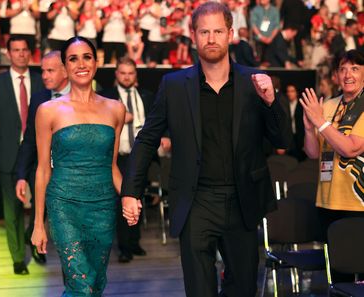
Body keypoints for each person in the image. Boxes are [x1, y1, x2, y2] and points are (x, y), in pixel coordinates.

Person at [121, 2, 290, 297]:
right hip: (195, 201)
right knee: (199, 289)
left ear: (230, 34)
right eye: (204, 32)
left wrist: (271, 102)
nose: (211, 38)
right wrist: (130, 191)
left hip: (242, 201)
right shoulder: (173, 85)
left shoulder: (255, 82)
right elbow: (147, 138)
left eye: (218, 31)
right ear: (193, 35)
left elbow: (282, 141)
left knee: (243, 288)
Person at [31, 36, 125, 296]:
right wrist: (39, 223)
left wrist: (129, 197)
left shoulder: (115, 109)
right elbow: (42, 170)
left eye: (87, 57)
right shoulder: (48, 110)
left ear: (96, 63)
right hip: (64, 206)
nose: (81, 64)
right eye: (73, 58)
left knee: (95, 282)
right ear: (65, 66)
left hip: (103, 206)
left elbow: (113, 167)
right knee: (81, 283)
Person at [0, 36, 43, 275]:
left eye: (25, 50)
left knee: (41, 204)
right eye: (16, 50)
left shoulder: (40, 81)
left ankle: (33, 237)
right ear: (8, 53)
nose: (20, 54)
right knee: (12, 208)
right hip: (7, 153)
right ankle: (17, 257)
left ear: (30, 53)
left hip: (36, 154)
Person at [300, 49, 364, 282]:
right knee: (338, 276)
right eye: (343, 69)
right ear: (336, 75)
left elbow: (350, 148)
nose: (348, 74)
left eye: (355, 69)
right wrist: (309, 128)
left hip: (359, 205)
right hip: (328, 201)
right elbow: (313, 152)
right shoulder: (328, 105)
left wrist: (321, 122)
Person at [101, 56, 170, 263]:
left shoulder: (146, 96)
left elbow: (160, 119)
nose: (127, 77)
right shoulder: (107, 97)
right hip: (118, 156)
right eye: (123, 73)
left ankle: (134, 242)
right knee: (123, 199)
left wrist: (165, 135)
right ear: (116, 74)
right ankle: (124, 247)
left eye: (130, 73)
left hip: (142, 157)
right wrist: (121, 117)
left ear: (136, 75)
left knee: (137, 198)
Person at [15, 51, 69, 265]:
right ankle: (38, 242)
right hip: (43, 169)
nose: (44, 76)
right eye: (42, 71)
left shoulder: (81, 94)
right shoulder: (38, 98)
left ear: (65, 70)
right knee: (42, 209)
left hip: (72, 172)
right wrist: (21, 175)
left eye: (50, 70)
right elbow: (29, 140)